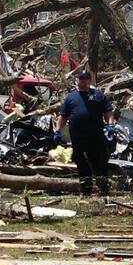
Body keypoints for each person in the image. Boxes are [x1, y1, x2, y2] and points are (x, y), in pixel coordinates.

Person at [56, 68, 113, 198]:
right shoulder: (71, 97)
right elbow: (63, 116)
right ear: (77, 81)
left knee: (99, 163)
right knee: (81, 163)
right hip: (78, 137)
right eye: (81, 79)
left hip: (95, 136)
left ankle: (104, 191)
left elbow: (108, 111)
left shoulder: (98, 95)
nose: (84, 82)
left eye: (86, 79)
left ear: (90, 80)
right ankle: (86, 191)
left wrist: (111, 126)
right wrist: (58, 131)